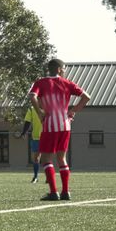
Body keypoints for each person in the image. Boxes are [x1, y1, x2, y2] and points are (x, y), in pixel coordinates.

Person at [29, 58, 92, 201]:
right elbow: (86, 97)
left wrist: (39, 112)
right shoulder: (67, 83)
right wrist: (72, 111)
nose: (64, 71)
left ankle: (53, 192)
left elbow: (32, 96)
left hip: (50, 125)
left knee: (46, 158)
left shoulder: (41, 82)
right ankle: (65, 192)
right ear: (58, 69)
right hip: (65, 125)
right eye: (63, 68)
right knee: (61, 158)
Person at [18, 106, 43, 183]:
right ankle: (35, 177)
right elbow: (27, 121)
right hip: (36, 137)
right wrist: (24, 133)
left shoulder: (48, 106)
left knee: (46, 158)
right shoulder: (32, 109)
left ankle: (49, 177)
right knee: (36, 158)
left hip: (47, 136)